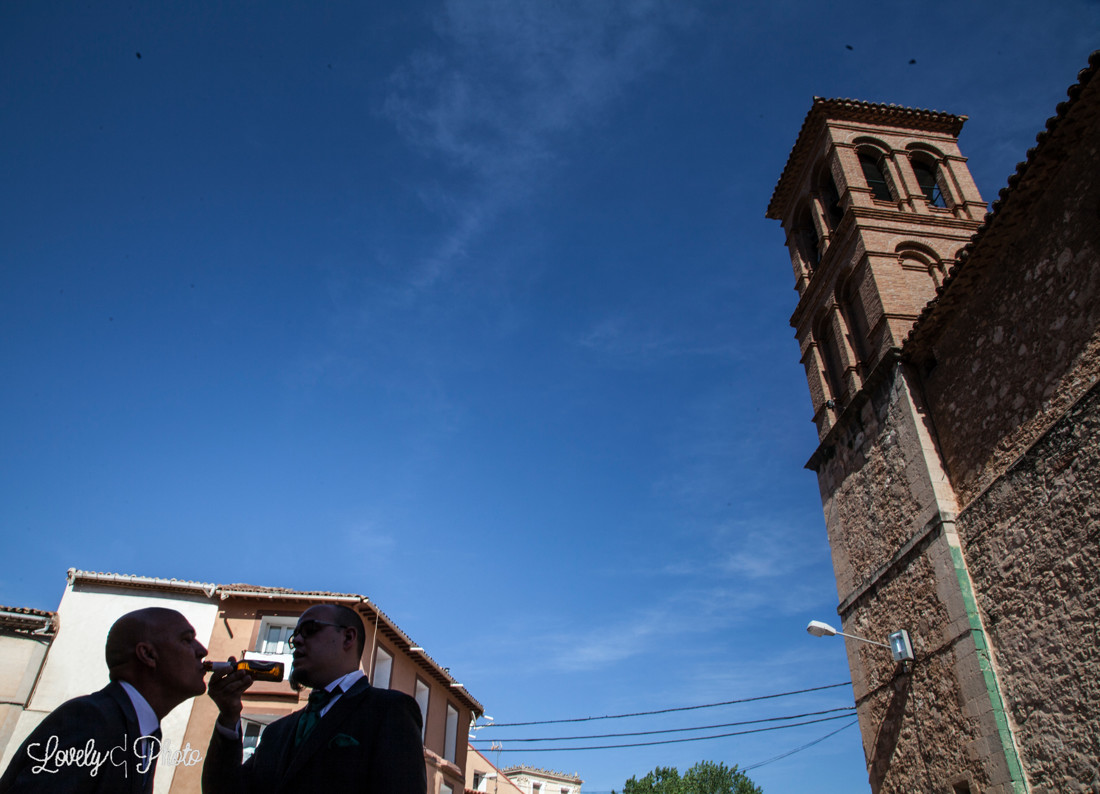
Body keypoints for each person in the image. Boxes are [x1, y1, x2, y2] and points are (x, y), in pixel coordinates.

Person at [203, 604, 426, 794]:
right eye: (294, 636)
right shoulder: (275, 732)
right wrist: (229, 716)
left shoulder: (389, 710)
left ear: (348, 637)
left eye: (309, 630)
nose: (297, 641)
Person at [0, 607, 208, 794]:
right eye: (187, 640)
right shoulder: (90, 719)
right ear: (148, 655)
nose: (202, 651)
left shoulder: (143, 733)